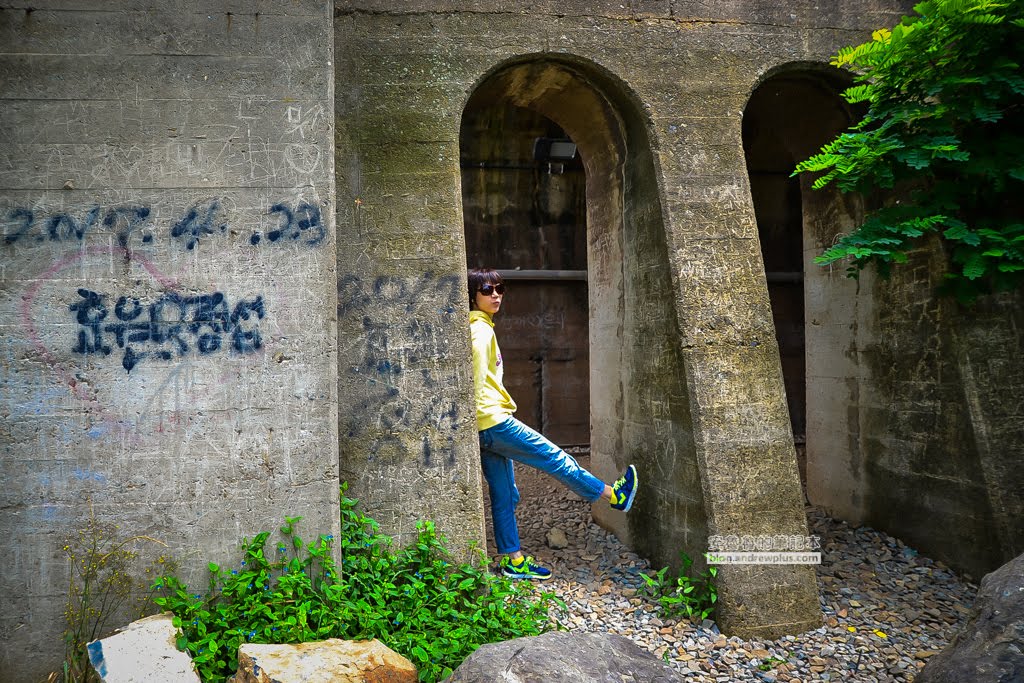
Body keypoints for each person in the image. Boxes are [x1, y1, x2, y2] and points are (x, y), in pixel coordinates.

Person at [468, 267, 638, 581]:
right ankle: (615, 496)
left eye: (499, 289)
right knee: (556, 459)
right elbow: (476, 379)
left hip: (483, 425)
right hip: (493, 421)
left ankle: (513, 561)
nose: (495, 296)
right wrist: (478, 418)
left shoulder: (476, 326)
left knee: (504, 494)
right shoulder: (481, 331)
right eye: (487, 290)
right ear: (473, 295)